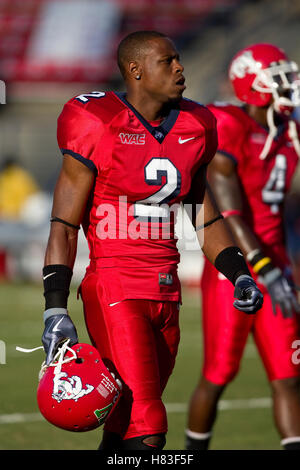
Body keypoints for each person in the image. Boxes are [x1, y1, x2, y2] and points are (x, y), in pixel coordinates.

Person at [41, 31, 263, 451]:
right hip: (116, 289)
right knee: (150, 430)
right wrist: (55, 306)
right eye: (168, 61)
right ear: (136, 70)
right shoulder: (97, 122)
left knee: (125, 425)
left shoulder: (195, 125)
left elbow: (203, 214)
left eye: (179, 58)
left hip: (167, 290)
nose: (181, 68)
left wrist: (239, 274)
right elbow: (63, 226)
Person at [186, 43, 300, 451]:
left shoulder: (287, 128)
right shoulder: (228, 125)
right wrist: (265, 266)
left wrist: (279, 267)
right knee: (218, 375)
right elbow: (230, 212)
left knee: (288, 377)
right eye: (280, 77)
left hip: (277, 266)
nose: (290, 85)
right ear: (253, 84)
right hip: (234, 270)